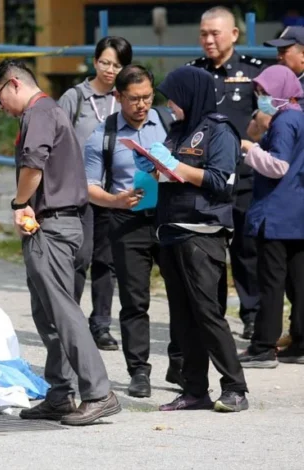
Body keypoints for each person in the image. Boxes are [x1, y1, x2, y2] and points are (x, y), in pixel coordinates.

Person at [0, 58, 120, 426]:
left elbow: (33, 164)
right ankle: (60, 393)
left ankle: (98, 392)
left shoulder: (40, 113)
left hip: (55, 225)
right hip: (59, 224)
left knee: (63, 311)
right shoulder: (44, 113)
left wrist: (18, 204)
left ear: (14, 83)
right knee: (47, 314)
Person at [135, 66, 249, 412]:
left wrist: (178, 169)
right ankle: (194, 389)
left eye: (174, 99)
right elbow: (172, 172)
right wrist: (155, 166)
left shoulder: (219, 131)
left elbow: (220, 181)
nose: (170, 105)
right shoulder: (180, 130)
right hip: (171, 230)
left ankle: (235, 388)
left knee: (207, 314)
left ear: (190, 96)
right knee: (183, 318)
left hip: (201, 233)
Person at [83, 64, 181, 398]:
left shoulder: (169, 124)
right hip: (127, 221)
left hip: (168, 218)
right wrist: (115, 200)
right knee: (134, 300)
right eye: (133, 99)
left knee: (181, 294)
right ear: (118, 97)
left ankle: (180, 362)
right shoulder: (104, 134)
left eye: (147, 97)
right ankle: (138, 370)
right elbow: (89, 186)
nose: (141, 105)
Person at [186, 6, 265, 340]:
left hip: (244, 175)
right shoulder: (193, 72)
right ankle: (210, 314)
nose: (208, 40)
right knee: (207, 251)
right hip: (205, 178)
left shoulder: (254, 73)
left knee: (247, 251)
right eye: (203, 33)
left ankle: (252, 314)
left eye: (215, 33)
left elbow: (268, 117)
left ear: (233, 34)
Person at [58, 36, 133, 351]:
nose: (110, 70)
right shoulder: (76, 97)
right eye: (105, 62)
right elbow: (55, 139)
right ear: (95, 62)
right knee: (81, 255)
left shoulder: (127, 98)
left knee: (108, 260)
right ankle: (69, 320)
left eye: (117, 65)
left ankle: (100, 324)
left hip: (115, 191)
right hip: (82, 191)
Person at [236, 66, 304, 368]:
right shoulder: (298, 116)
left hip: (276, 215)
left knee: (271, 283)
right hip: (296, 215)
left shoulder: (285, 121)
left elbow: (278, 166)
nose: (261, 98)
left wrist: (249, 149)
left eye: (265, 92)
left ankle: (263, 346)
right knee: (299, 283)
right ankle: (300, 342)